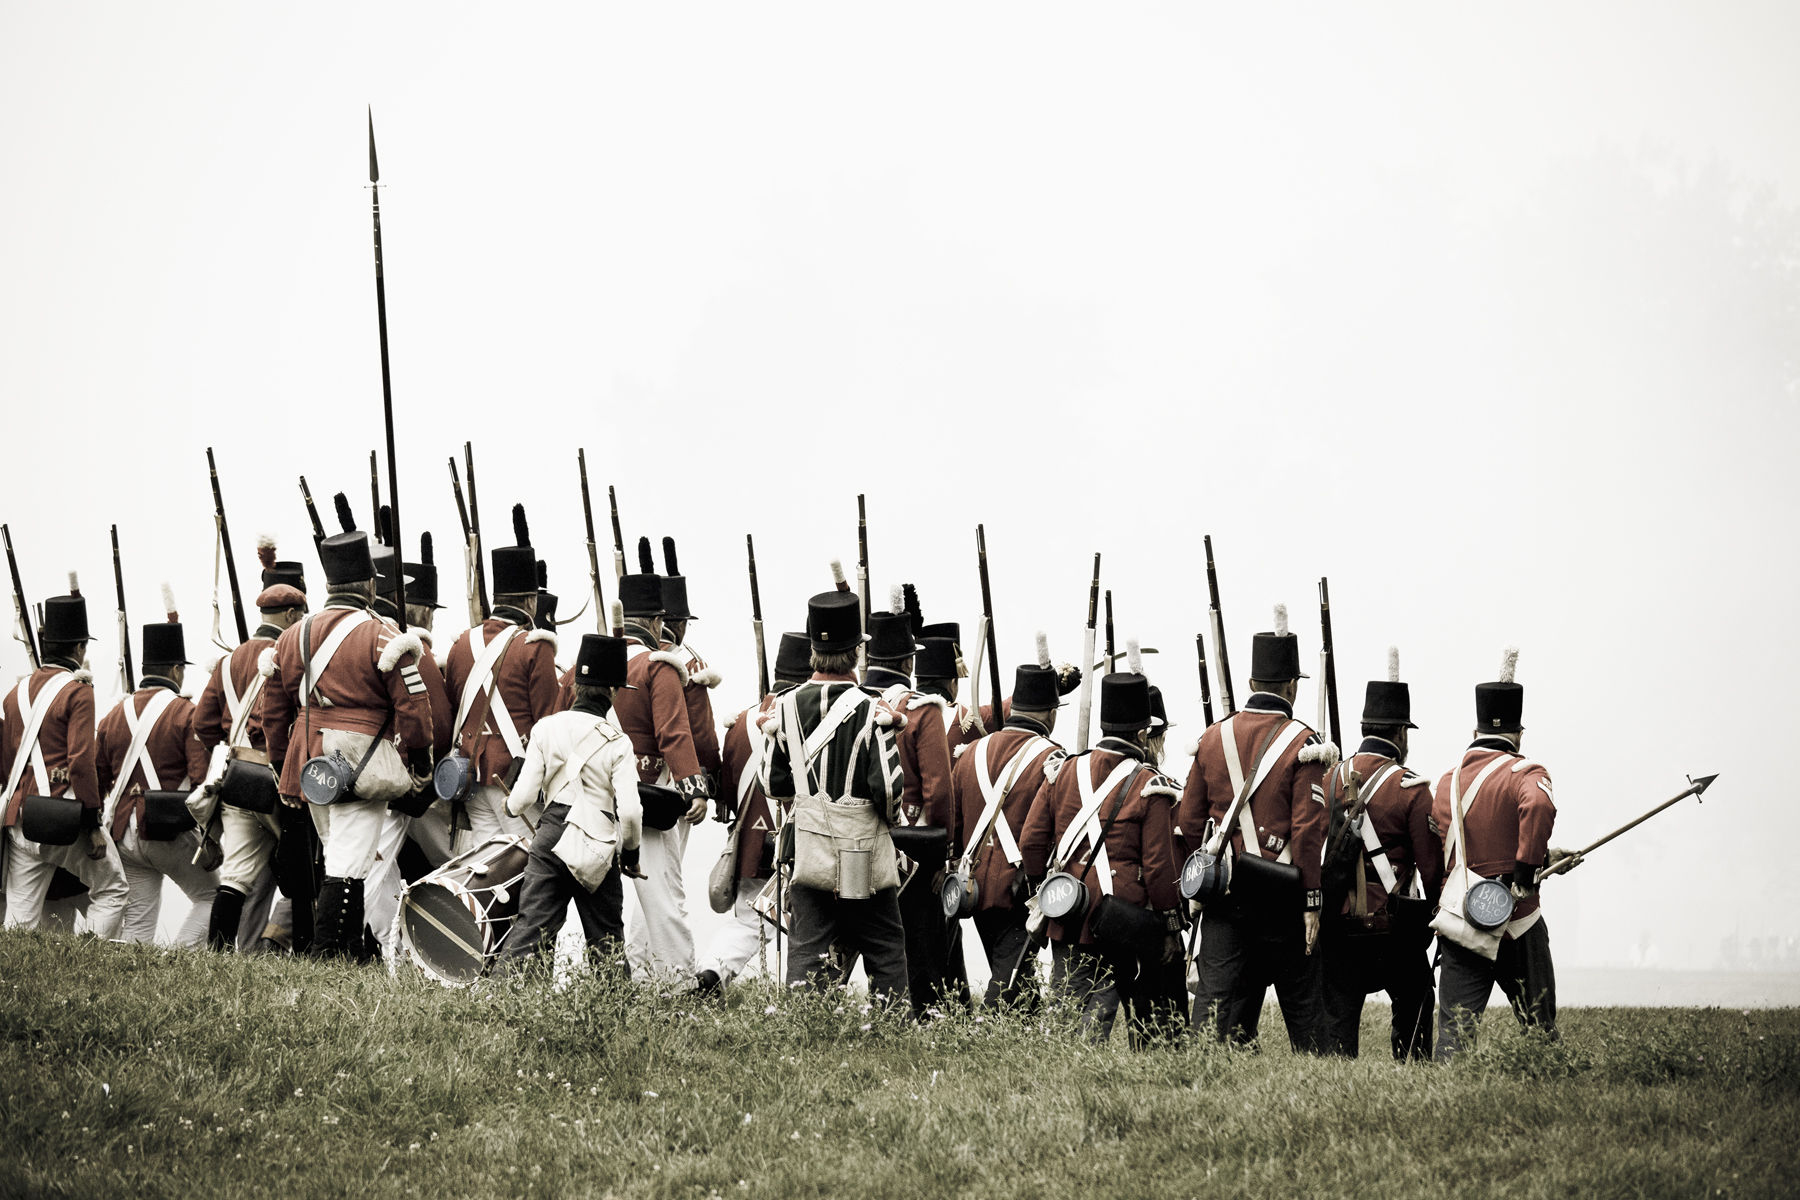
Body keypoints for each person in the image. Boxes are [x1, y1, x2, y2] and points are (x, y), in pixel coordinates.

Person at [256, 509, 434, 958]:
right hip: (360, 759)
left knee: (341, 853)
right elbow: (414, 708)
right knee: (348, 861)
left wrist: (285, 768)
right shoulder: (381, 636)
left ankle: (351, 952)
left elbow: (273, 713)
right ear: (369, 584)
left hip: (308, 761)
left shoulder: (289, 637)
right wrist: (421, 761)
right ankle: (326, 954)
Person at [1178, 604, 1333, 1053]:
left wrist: (1207, 876)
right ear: (1291, 686)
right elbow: (1308, 832)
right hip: (1284, 898)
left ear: (1251, 684)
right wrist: (1311, 902)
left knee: (1212, 1014)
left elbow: (1189, 823)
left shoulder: (1212, 737)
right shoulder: (1305, 743)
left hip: (1225, 896)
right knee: (1307, 1015)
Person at [1020, 647, 1182, 1042]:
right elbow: (1159, 868)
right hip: (1121, 918)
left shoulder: (1063, 770)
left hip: (1068, 910)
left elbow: (1030, 844)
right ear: (1143, 733)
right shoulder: (1149, 785)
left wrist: (1052, 887)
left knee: (1065, 1013)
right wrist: (1170, 924)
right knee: (1104, 1007)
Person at [760, 589, 909, 1004]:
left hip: (808, 847)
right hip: (861, 849)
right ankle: (893, 1027)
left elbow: (773, 784)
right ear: (857, 651)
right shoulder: (871, 709)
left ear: (812, 649)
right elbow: (889, 790)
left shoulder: (784, 707)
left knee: (808, 945)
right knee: (883, 945)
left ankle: (804, 1029)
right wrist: (886, 820)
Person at [1433, 648, 1559, 1061]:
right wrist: (1526, 870)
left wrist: (1539, 857)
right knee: (1540, 1030)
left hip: (1464, 919)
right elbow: (1538, 808)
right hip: (1519, 922)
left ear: (1476, 730)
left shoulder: (1446, 784)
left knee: (1454, 1037)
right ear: (1518, 734)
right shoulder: (1527, 773)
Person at [1317, 648, 1443, 1059]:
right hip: (1392, 928)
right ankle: (1412, 1066)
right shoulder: (1411, 788)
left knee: (1338, 1025)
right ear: (1401, 734)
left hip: (1338, 923)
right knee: (1417, 996)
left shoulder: (1331, 777)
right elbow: (1430, 869)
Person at [494, 634, 643, 972]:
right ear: (613, 691)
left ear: (577, 685)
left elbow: (524, 798)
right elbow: (631, 812)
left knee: (531, 933)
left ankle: (507, 1007)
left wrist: (510, 808)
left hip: (551, 838)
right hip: (597, 845)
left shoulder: (546, 728)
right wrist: (631, 854)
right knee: (606, 942)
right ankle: (613, 1014)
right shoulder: (618, 742)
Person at [1, 580, 130, 937]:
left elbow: (10, 763)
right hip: (60, 814)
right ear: (79, 647)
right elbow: (80, 763)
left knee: (20, 922)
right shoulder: (78, 691)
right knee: (113, 890)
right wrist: (91, 824)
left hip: (19, 818)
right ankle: (84, 962)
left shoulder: (14, 695)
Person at [611, 537, 712, 985]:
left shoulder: (591, 663)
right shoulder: (663, 665)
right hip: (654, 794)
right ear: (658, 620)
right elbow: (681, 733)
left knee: (636, 898)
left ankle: (640, 975)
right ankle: (678, 983)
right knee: (663, 892)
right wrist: (699, 785)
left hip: (596, 796)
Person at [948, 632, 1068, 1007]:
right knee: (1010, 981)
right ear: (1050, 713)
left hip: (973, 887)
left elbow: (953, 825)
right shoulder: (1054, 758)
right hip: (1021, 890)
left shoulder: (970, 754)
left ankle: (1020, 1047)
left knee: (1017, 978)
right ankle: (986, 1043)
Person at [192, 564, 308, 952]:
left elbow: (203, 723)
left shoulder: (228, 661)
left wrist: (230, 748)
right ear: (292, 616)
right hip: (276, 779)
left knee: (235, 877)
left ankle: (219, 953)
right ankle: (303, 950)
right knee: (307, 866)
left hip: (236, 779)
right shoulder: (290, 654)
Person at [97, 592, 215, 946]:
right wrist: (212, 835)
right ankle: (179, 961)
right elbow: (201, 782)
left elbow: (99, 778)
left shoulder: (113, 715)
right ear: (177, 670)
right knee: (213, 898)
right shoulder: (186, 712)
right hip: (167, 829)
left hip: (124, 832)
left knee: (137, 924)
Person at [863, 586, 960, 1015]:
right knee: (920, 942)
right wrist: (943, 855)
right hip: (913, 847)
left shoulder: (849, 705)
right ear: (907, 662)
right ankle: (923, 1015)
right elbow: (939, 790)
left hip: (856, 840)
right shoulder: (923, 710)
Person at [695, 632, 810, 993]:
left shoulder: (740, 722)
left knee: (747, 923)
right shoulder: (811, 718)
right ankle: (800, 998)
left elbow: (727, 791)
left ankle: (711, 975)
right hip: (802, 840)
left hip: (752, 842)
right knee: (813, 925)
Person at [442, 505, 560, 854]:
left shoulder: (462, 642)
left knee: (489, 866)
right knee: (524, 867)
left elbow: (453, 704)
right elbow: (548, 721)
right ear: (530, 599)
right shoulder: (535, 647)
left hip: (470, 776)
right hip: (516, 777)